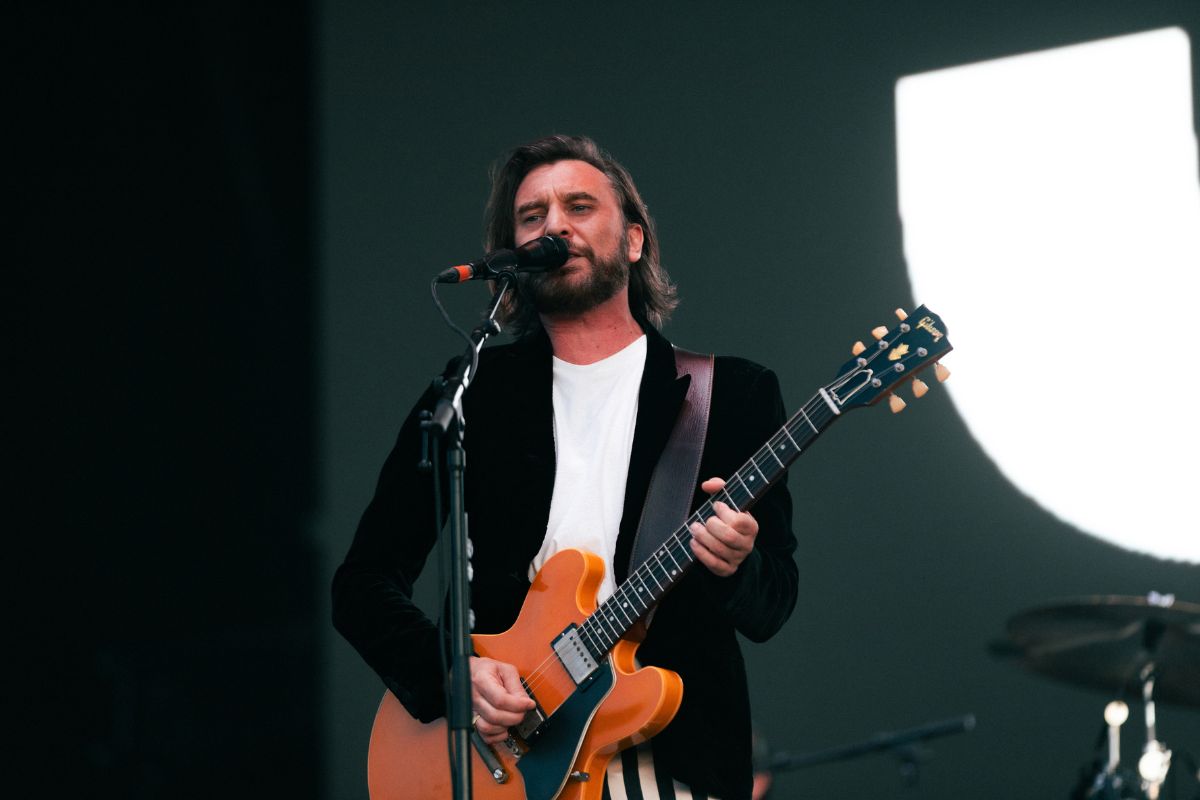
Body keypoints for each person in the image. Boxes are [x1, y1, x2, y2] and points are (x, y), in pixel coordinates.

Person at [332, 134, 798, 800]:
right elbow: (362, 581)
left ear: (633, 240)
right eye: (532, 216)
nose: (554, 225)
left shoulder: (731, 394)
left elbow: (772, 603)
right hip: (501, 761)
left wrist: (737, 563)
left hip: (665, 761)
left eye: (579, 206)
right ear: (515, 256)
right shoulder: (472, 392)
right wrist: (452, 674)